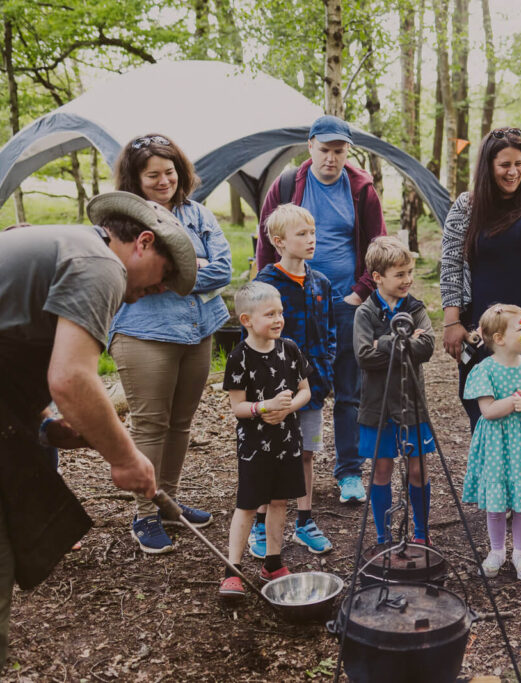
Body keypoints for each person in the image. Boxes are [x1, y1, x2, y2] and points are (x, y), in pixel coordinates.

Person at [0, 190, 197, 681]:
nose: (156, 290)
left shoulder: (66, 244)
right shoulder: (101, 264)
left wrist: (45, 426)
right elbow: (72, 379)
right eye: (163, 276)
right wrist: (126, 458)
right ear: (143, 242)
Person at [109, 134, 232, 554]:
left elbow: (223, 269)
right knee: (150, 424)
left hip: (199, 330)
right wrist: (190, 267)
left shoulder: (197, 214)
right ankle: (144, 514)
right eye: (153, 175)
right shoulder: (121, 223)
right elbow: (124, 274)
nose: (164, 181)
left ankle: (167, 504)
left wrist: (167, 274)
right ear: (135, 179)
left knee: (180, 423)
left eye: (170, 171)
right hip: (144, 332)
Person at [255, 115, 386, 505]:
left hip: (345, 303)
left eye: (339, 151)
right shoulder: (286, 185)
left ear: (348, 151)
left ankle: (349, 472)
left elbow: (377, 246)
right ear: (310, 146)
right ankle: (284, 465)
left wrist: (360, 293)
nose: (331, 158)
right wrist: (266, 298)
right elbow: (265, 242)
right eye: (325, 149)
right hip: (292, 306)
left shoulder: (361, 189)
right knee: (287, 384)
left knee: (349, 389)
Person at [440, 127, 521, 452]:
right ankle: (493, 478)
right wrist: (451, 321)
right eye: (504, 165)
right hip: (487, 328)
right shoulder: (467, 205)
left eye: (519, 164)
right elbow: (451, 265)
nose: (513, 172)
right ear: (488, 165)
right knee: (487, 413)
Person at [252, 204, 335, 556]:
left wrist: (325, 368)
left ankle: (305, 522)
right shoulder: (264, 285)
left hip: (312, 388)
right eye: (302, 234)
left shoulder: (321, 283)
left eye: (312, 233)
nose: (311, 239)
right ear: (279, 241)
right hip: (276, 392)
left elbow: (330, 331)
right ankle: (260, 524)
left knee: (306, 453)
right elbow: (252, 339)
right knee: (270, 456)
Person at [219, 282, 312, 598]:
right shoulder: (239, 357)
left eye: (280, 312)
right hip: (254, 447)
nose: (278, 319)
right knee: (247, 504)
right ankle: (232, 570)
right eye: (270, 314)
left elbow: (305, 391)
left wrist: (287, 409)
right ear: (246, 320)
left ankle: (273, 562)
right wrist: (264, 407)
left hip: (288, 441)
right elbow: (237, 407)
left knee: (280, 501)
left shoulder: (290, 349)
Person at [462, 304, 521, 582]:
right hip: (497, 447)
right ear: (499, 338)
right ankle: (497, 551)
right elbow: (488, 411)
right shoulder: (485, 370)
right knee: (497, 505)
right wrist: (519, 400)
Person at [354, 237, 436, 544]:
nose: (407, 280)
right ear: (377, 277)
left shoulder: (415, 307)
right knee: (381, 470)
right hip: (377, 407)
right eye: (399, 274)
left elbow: (427, 347)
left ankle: (422, 534)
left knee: (418, 469)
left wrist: (384, 343)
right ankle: (383, 537)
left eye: (409, 272)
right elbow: (364, 356)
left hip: (412, 405)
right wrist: (404, 342)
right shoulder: (366, 313)